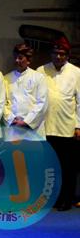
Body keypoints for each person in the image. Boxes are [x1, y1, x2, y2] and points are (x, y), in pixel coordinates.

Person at [37, 37, 80, 211]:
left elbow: (79, 102)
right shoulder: (41, 70)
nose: (59, 56)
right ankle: (51, 199)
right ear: (51, 54)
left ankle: (67, 199)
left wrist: (79, 126)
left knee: (68, 167)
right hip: (46, 127)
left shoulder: (76, 72)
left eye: (62, 54)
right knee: (49, 167)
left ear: (67, 55)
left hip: (67, 127)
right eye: (55, 53)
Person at [3, 43, 48, 142]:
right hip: (13, 129)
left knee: (34, 156)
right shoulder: (6, 78)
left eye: (20, 58)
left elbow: (42, 103)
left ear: (28, 60)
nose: (16, 61)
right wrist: (12, 119)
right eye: (15, 57)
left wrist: (27, 122)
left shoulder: (38, 77)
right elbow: (3, 103)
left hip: (33, 130)